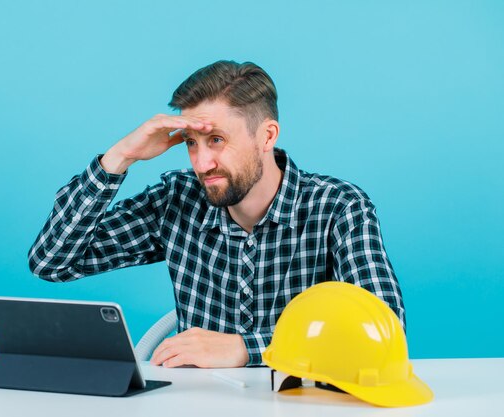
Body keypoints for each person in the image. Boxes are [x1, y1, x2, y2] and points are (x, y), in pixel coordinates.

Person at [28, 60, 405, 369]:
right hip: (198, 403)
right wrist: (119, 158)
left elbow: (384, 330)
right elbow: (53, 262)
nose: (202, 162)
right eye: (191, 143)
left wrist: (247, 348)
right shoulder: (177, 199)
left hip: (302, 401)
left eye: (217, 140)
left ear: (267, 136)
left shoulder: (338, 207)